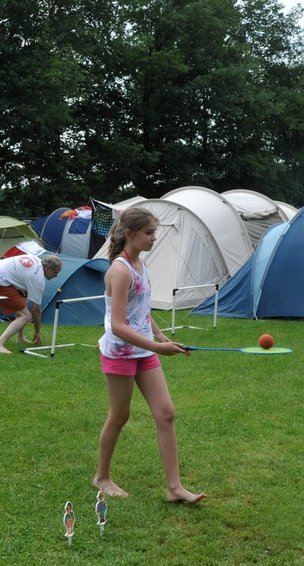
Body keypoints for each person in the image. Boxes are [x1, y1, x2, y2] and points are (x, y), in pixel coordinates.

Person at [93, 207, 205, 504]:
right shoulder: (120, 270)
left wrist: (161, 336)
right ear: (130, 234)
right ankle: (102, 477)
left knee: (166, 412)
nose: (154, 238)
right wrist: (158, 347)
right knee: (120, 415)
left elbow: (140, 308)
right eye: (149, 232)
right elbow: (118, 325)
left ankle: (174, 488)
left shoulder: (140, 264)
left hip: (144, 350)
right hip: (120, 352)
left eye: (154, 232)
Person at [0, 254, 62, 353]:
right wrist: (37, 332)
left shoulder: (36, 259)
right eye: (55, 272)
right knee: (25, 315)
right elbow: (36, 310)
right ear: (47, 268)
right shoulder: (38, 280)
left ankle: (20, 337)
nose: (56, 276)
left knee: (24, 297)